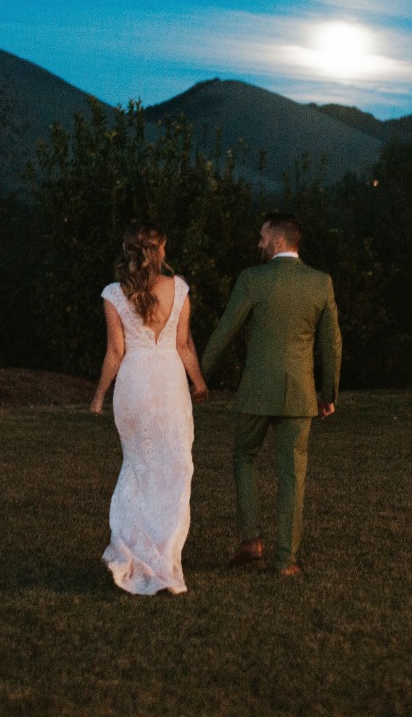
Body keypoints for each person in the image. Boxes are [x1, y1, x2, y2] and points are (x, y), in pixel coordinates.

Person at [201, 213, 341, 576]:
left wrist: (198, 376)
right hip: (299, 393)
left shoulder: (252, 279)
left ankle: (251, 540)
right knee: (293, 474)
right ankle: (286, 561)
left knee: (243, 456)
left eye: (262, 236)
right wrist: (329, 393)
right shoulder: (320, 283)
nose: (258, 243)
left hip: (257, 392)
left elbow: (225, 330)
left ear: (279, 241)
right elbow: (332, 345)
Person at [90, 221, 207, 595]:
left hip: (135, 384)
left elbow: (115, 353)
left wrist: (98, 395)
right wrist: (199, 381)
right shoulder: (180, 289)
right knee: (176, 466)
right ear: (158, 252)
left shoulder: (113, 294)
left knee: (139, 467)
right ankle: (165, 555)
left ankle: (136, 550)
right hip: (170, 382)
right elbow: (184, 343)